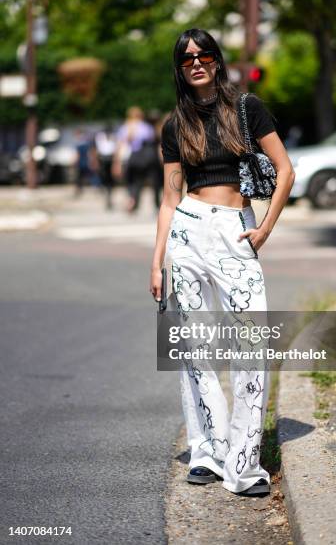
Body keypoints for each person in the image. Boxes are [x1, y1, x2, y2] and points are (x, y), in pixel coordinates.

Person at [150, 28, 295, 497]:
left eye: (203, 54)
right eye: (186, 57)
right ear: (179, 68)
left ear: (216, 59)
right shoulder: (174, 125)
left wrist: (265, 228)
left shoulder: (247, 108)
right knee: (194, 349)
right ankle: (207, 452)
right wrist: (158, 261)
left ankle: (244, 463)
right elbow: (170, 198)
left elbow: (286, 170)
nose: (195, 62)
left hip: (236, 229)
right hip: (188, 230)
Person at [114, 106, 156, 213]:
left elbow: (119, 146)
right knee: (142, 180)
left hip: (131, 158)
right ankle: (139, 201)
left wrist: (116, 163)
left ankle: (132, 199)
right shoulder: (146, 127)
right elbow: (152, 142)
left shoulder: (125, 127)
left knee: (131, 181)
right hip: (146, 158)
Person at [90, 123, 117, 210]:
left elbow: (116, 149)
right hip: (102, 159)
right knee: (103, 177)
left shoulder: (114, 137)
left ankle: (109, 195)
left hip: (111, 159)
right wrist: (95, 160)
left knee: (110, 179)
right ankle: (104, 191)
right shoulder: (99, 137)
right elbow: (94, 149)